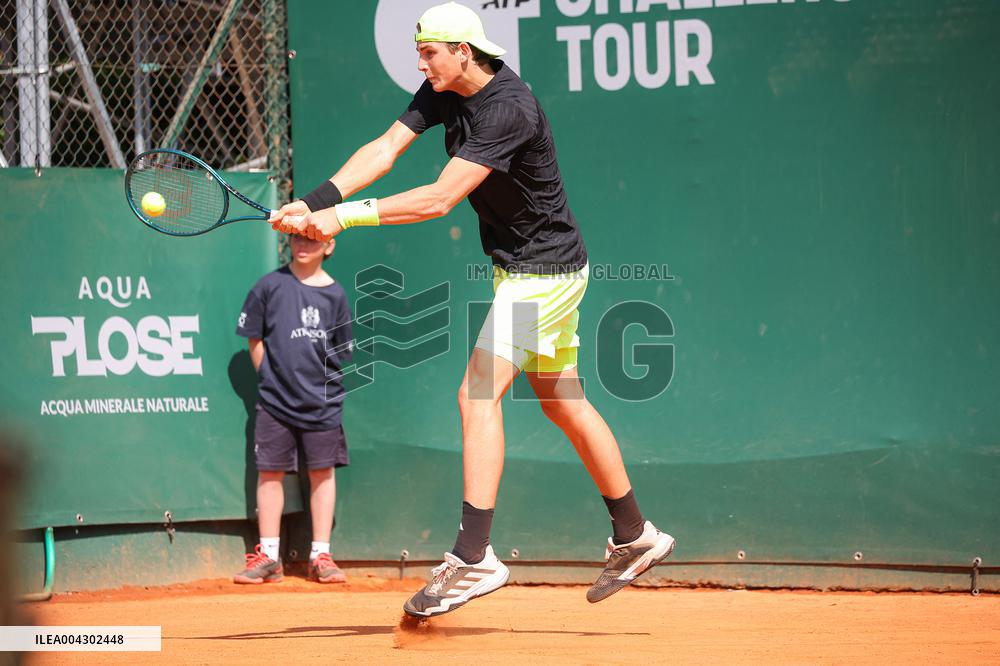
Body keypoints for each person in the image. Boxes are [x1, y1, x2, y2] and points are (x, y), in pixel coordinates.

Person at [270, 1, 675, 615]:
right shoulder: (442, 89)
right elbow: (384, 150)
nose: (422, 63)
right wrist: (313, 201)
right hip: (528, 267)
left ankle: (473, 556)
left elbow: (438, 198)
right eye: (420, 55)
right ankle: (635, 533)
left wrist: (342, 217)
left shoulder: (508, 108)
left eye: (430, 52)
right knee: (562, 400)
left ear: (464, 50)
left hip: (544, 270)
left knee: (476, 393)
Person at [232, 234, 354, 585]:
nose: (303, 244)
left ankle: (320, 556)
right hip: (275, 402)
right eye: (297, 237)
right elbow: (254, 338)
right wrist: (270, 379)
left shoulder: (336, 294)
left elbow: (340, 350)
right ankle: (269, 557)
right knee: (269, 473)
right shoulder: (270, 285)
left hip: (323, 403)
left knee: (322, 473)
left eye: (313, 239)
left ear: (329, 246)